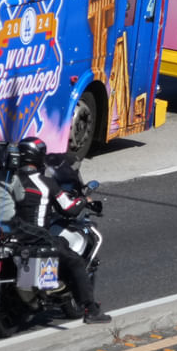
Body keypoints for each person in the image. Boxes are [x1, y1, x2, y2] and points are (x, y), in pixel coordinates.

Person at [10, 136, 110, 324]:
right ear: (38, 158)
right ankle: (91, 310)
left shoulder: (8, 181)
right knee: (75, 262)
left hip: (8, 238)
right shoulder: (46, 183)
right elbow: (69, 208)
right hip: (37, 238)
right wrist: (81, 200)